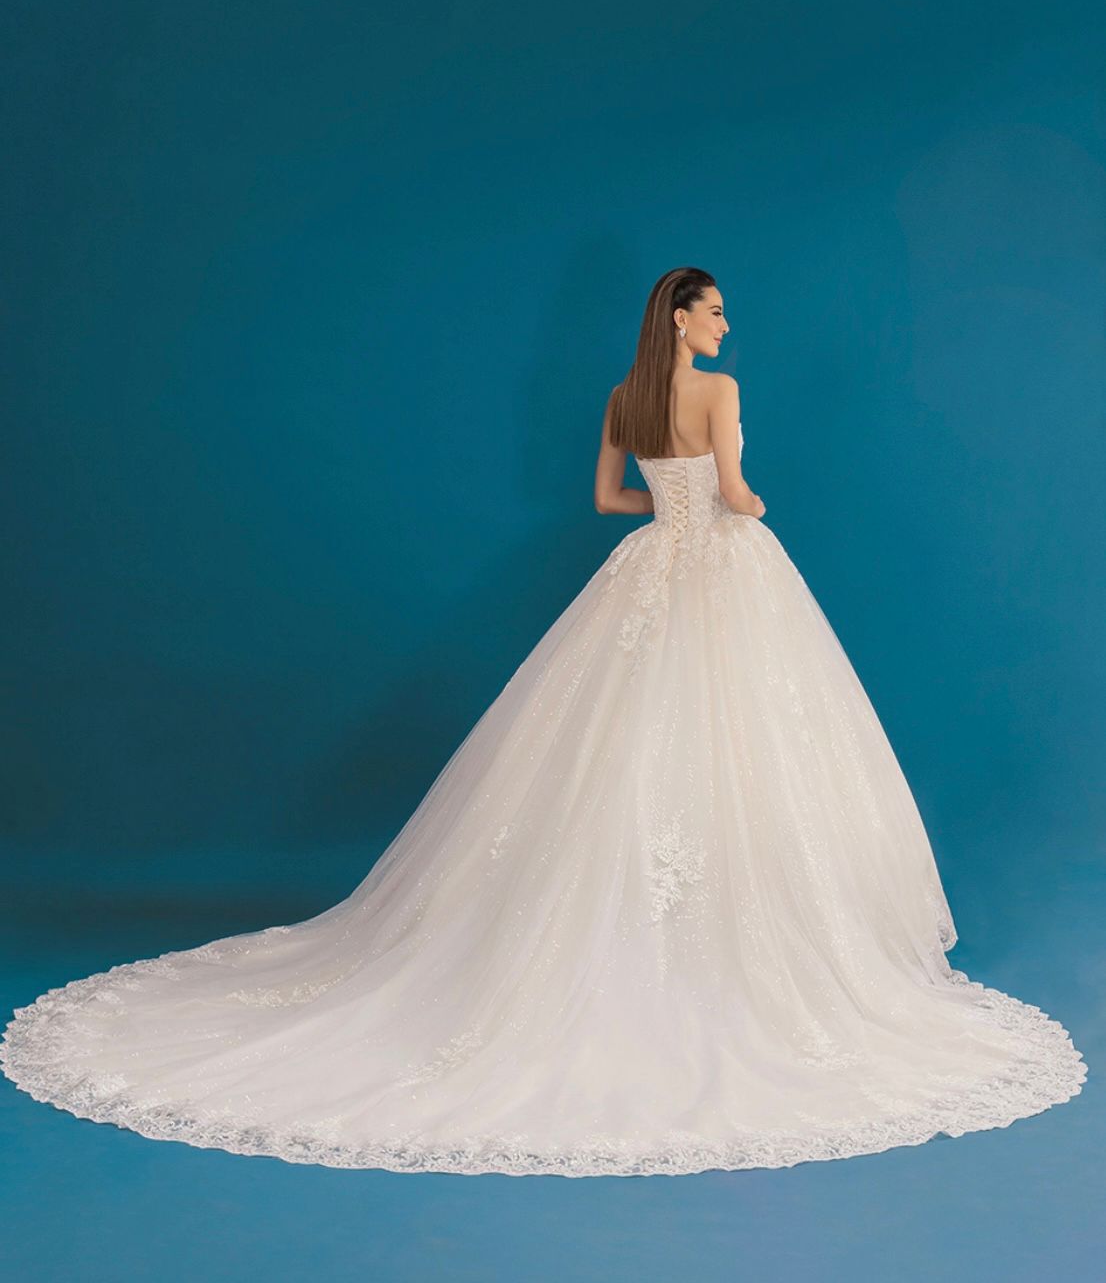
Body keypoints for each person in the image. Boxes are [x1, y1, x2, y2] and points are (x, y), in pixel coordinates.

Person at [0, 267, 1086, 1177]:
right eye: (712, 311)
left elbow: (610, 501)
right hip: (722, 568)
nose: (724, 325)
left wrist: (670, 503)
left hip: (647, 566)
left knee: (612, 748)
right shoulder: (717, 390)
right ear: (680, 318)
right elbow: (738, 491)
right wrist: (742, 503)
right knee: (740, 745)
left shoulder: (622, 396)